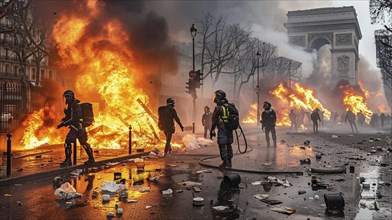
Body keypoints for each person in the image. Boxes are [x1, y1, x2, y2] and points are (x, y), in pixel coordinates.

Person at [57, 90, 95, 167]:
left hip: (77, 128)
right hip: (78, 128)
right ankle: (91, 158)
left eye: (68, 96)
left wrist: (64, 124)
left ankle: (68, 161)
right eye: (65, 97)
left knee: (72, 142)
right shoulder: (71, 106)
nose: (66, 98)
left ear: (71, 97)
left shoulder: (74, 106)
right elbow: (70, 116)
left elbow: (73, 118)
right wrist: (64, 119)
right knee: (81, 143)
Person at [210, 90, 233, 168]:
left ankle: (225, 162)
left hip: (222, 128)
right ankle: (229, 161)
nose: (215, 97)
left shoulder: (218, 108)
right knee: (229, 144)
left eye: (216, 96)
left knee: (222, 144)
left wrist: (212, 130)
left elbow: (214, 120)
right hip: (229, 128)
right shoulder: (230, 106)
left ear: (219, 97)